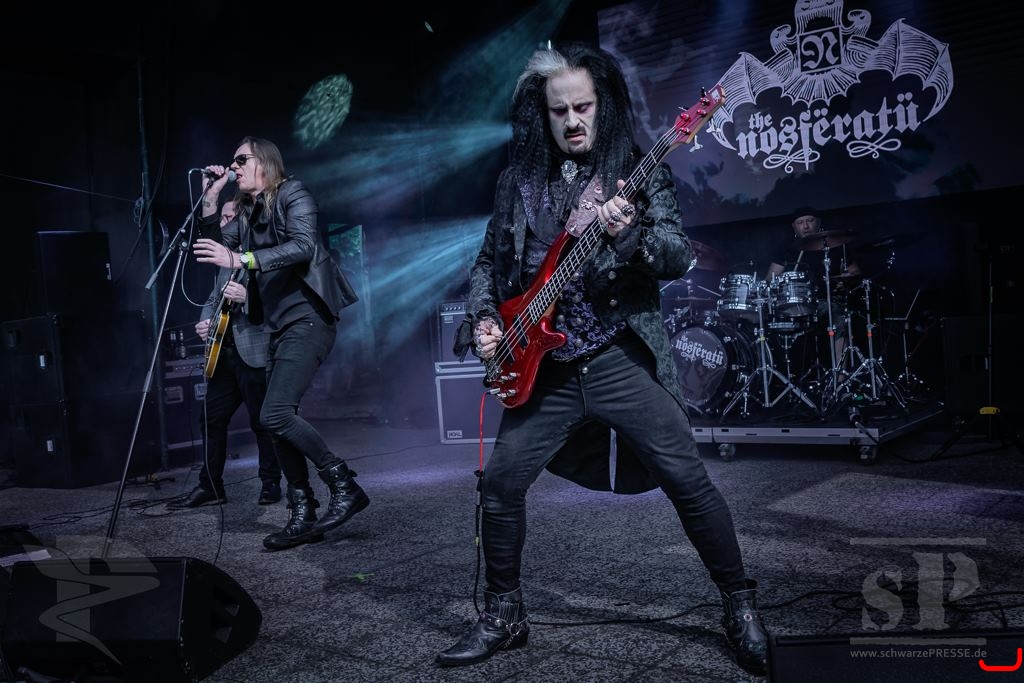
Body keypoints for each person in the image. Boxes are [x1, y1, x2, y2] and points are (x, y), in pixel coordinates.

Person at [436, 43, 767, 676]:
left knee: (688, 481)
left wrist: (628, 234)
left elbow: (676, 255)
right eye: (559, 110)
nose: (572, 121)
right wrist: (484, 320)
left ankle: (740, 605)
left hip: (616, 354)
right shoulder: (517, 182)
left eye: (582, 107)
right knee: (500, 485)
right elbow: (486, 265)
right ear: (542, 115)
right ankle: (504, 616)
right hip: (544, 367)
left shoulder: (634, 168)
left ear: (603, 105)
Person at [193, 137, 369, 551]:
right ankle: (302, 511)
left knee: (273, 413)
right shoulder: (248, 211)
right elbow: (217, 245)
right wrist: (211, 197)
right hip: (276, 326)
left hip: (309, 318)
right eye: (233, 161)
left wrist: (244, 260)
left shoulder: (293, 193)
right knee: (275, 422)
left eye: (241, 159)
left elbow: (303, 246)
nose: (234, 167)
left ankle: (343, 484)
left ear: (265, 162)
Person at [168, 198, 282, 510]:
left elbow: (281, 301)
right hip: (224, 353)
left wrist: (247, 297)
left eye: (230, 216)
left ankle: (271, 482)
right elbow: (212, 298)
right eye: (222, 218)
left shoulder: (262, 254)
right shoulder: (223, 263)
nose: (224, 223)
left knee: (263, 422)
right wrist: (205, 322)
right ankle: (211, 486)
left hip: (255, 351)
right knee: (210, 419)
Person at [766, 206, 862, 380]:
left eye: (809, 221)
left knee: (839, 317)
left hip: (825, 301)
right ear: (794, 227)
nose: (805, 226)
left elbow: (855, 272)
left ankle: (840, 381)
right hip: (793, 304)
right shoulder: (787, 248)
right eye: (800, 222)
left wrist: (847, 278)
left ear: (818, 222)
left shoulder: (836, 245)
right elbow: (770, 279)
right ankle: (784, 379)